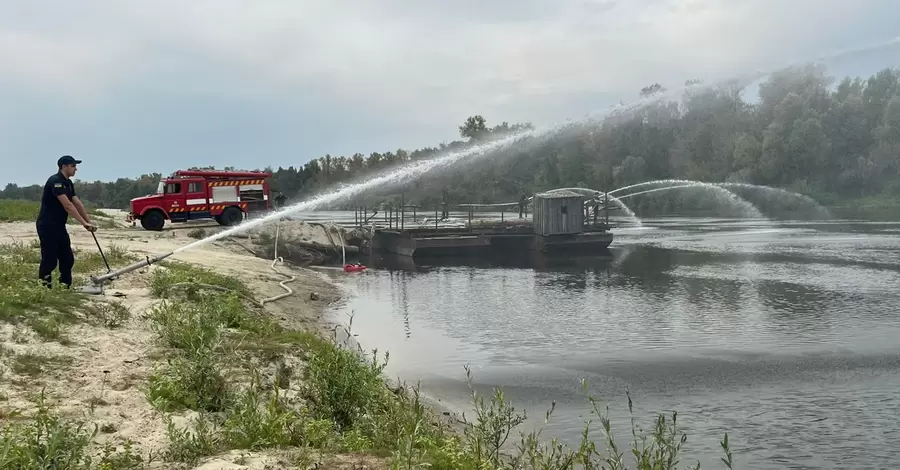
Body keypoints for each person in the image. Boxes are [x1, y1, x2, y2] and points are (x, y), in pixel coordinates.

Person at [36, 155, 97, 288]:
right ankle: (44, 288)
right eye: (73, 166)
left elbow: (77, 203)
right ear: (64, 166)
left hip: (59, 225)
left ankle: (65, 287)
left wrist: (88, 222)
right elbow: (68, 205)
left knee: (67, 258)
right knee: (50, 259)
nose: (76, 169)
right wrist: (83, 223)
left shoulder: (68, 183)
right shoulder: (55, 181)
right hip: (47, 225)